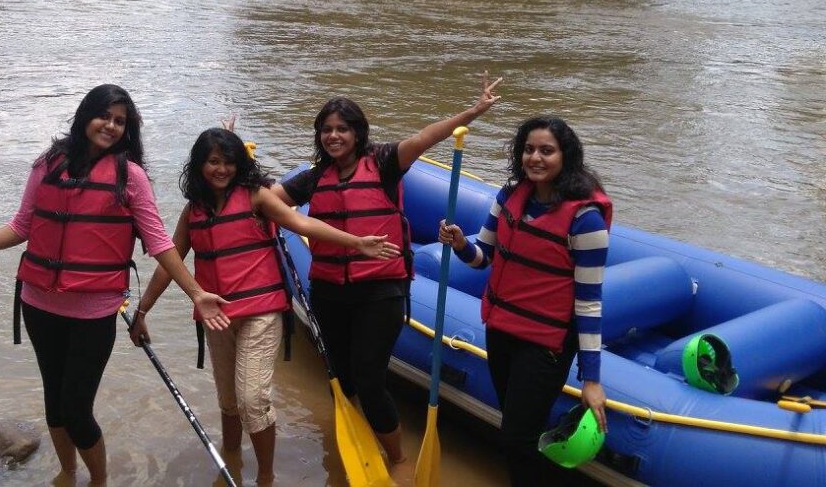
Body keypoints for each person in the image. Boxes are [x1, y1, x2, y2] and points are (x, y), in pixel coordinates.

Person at [0, 84, 229, 487]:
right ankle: (67, 473)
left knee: (76, 408)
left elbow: (159, 243)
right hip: (38, 304)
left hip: (94, 312)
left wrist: (197, 293)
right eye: (105, 116)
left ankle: (98, 480)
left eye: (121, 121)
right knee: (54, 404)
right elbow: (21, 227)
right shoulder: (48, 163)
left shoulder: (130, 176)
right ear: (86, 115)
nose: (111, 126)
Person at [130, 127, 400, 486]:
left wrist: (356, 243)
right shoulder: (193, 211)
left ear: (239, 164)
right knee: (228, 400)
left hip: (261, 312)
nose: (221, 169)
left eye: (228, 162)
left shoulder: (256, 197)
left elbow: (300, 221)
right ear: (199, 166)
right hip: (217, 317)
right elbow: (171, 262)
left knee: (252, 400)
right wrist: (143, 311)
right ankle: (231, 464)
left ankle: (266, 479)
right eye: (213, 162)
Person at [268, 73, 503, 470]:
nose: (333, 136)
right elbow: (269, 201)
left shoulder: (383, 162)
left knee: (369, 376)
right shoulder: (314, 178)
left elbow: (426, 137)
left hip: (381, 290)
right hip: (329, 290)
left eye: (342, 128)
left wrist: (472, 112)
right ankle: (351, 438)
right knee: (341, 377)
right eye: (326, 130)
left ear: (358, 133)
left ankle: (397, 458)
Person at [438, 115, 611, 486]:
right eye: (529, 149)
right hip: (501, 330)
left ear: (566, 157)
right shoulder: (510, 196)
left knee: (516, 437)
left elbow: (590, 303)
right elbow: (483, 257)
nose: (536, 157)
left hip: (545, 345)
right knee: (516, 431)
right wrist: (460, 244)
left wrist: (591, 379)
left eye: (547, 151)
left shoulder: (586, 220)